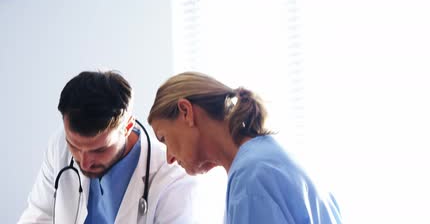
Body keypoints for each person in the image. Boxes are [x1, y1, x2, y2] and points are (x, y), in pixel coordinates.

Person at [147, 72, 342, 224]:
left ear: (186, 112)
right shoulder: (270, 158)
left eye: (163, 138)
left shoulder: (251, 176)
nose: (169, 158)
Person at [18, 71, 201, 224]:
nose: (85, 162)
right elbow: (38, 215)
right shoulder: (60, 144)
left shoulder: (172, 178)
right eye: (74, 146)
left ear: (128, 127)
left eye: (99, 150)